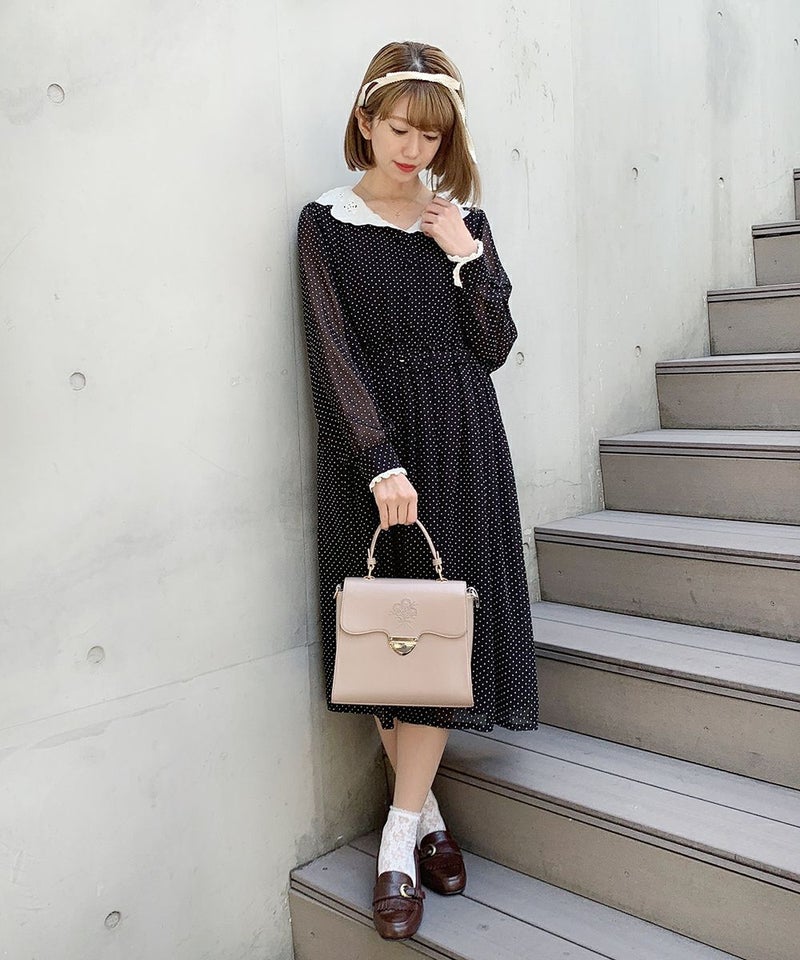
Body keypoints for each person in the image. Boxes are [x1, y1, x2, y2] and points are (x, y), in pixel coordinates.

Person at [297, 40, 539, 941]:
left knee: (434, 640)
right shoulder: (324, 223)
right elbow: (330, 348)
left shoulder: (461, 221)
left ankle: (398, 839)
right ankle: (429, 815)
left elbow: (493, 346)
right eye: (399, 129)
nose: (413, 150)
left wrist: (466, 254)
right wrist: (376, 457)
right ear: (365, 122)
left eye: (430, 136)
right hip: (373, 458)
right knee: (383, 638)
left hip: (464, 444)